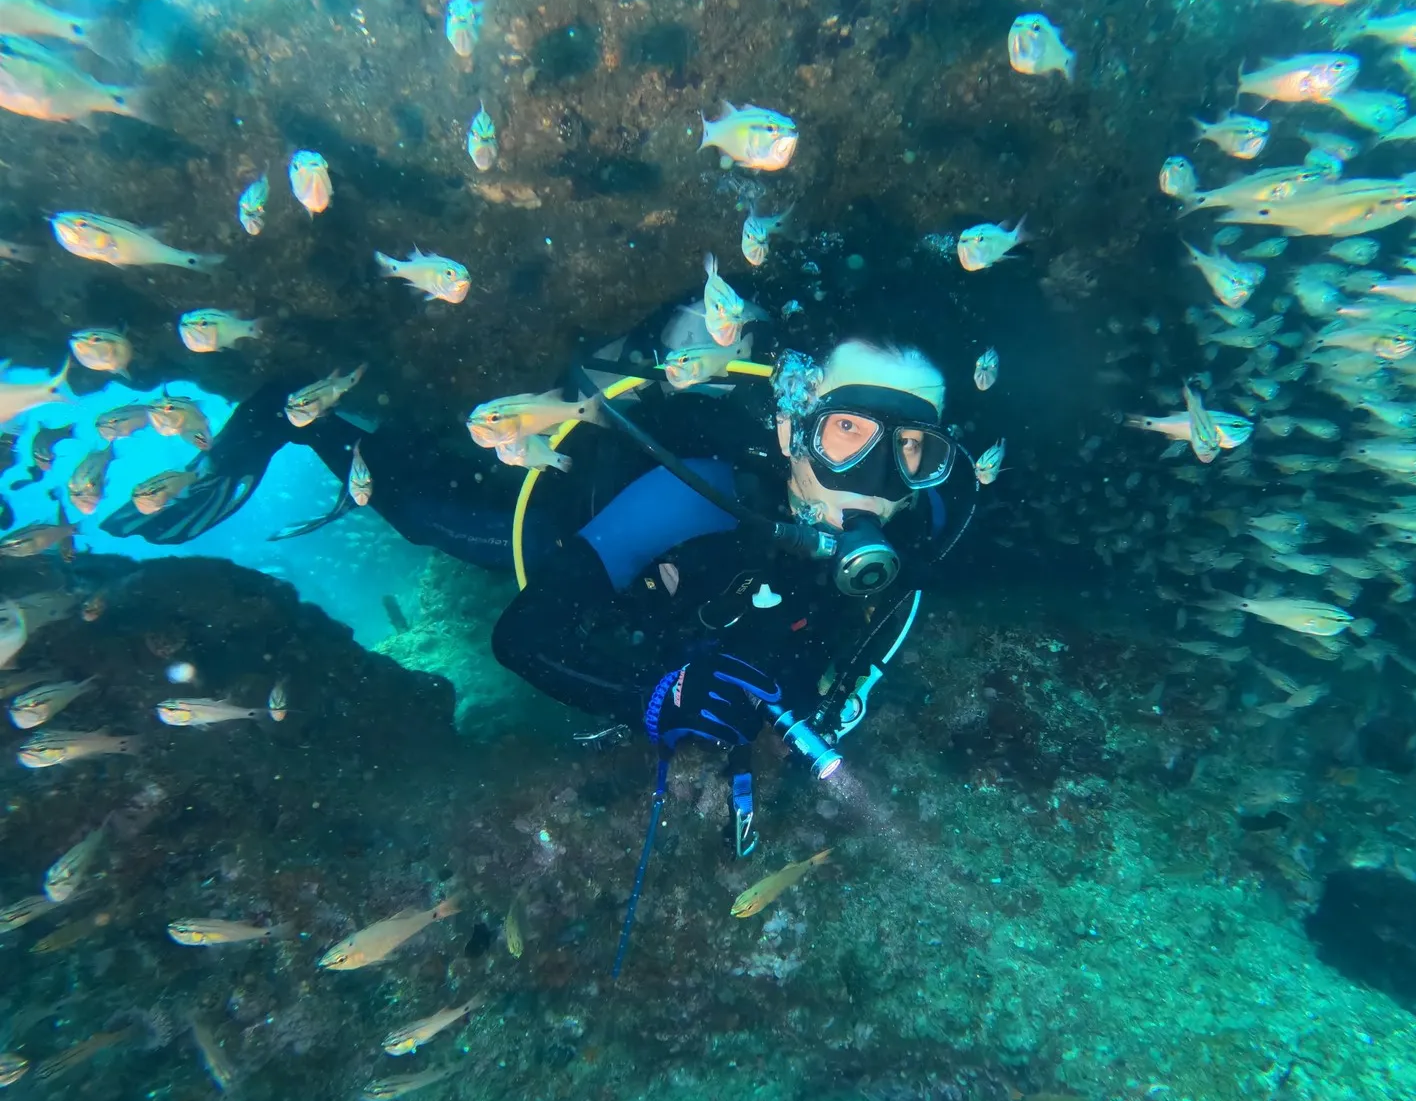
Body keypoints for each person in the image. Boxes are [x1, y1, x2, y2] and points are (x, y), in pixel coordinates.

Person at [107, 296, 969, 854]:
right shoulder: (701, 492)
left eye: (914, 449)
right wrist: (655, 692)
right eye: (850, 433)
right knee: (416, 510)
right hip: (569, 519)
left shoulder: (919, 535)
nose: (883, 480)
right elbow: (524, 636)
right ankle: (294, 417)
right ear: (792, 431)